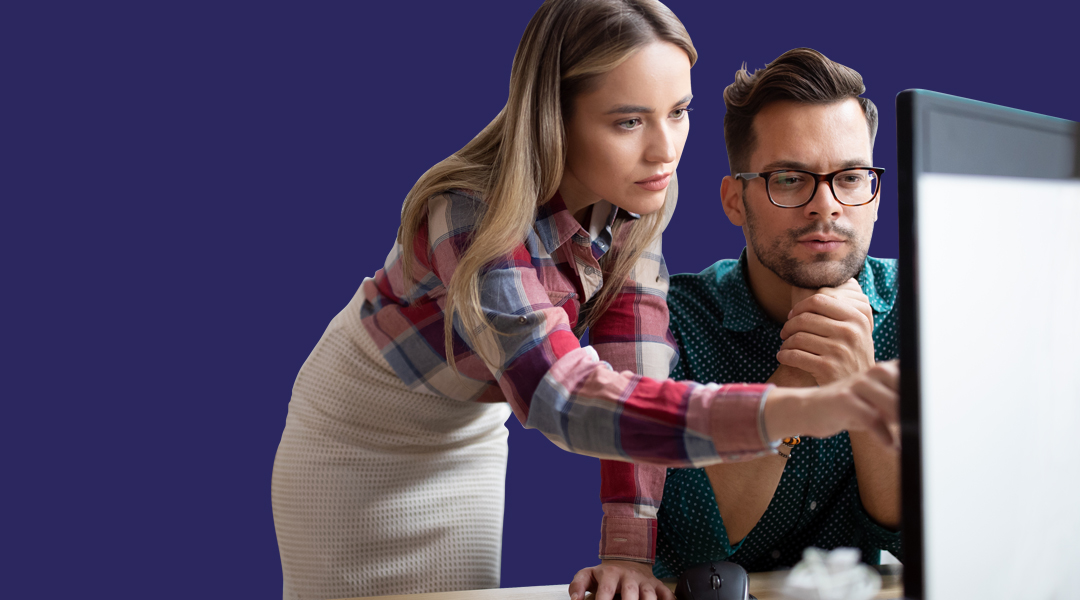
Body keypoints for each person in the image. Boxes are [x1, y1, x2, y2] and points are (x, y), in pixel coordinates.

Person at [270, 1, 900, 596]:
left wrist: (628, 553)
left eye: (678, 112)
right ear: (556, 117)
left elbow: (637, 371)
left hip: (470, 428)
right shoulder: (469, 212)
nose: (665, 150)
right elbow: (563, 398)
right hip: (362, 436)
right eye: (629, 120)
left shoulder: (638, 192)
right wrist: (792, 408)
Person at [569, 48, 900, 600]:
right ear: (734, 201)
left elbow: (935, 540)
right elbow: (689, 549)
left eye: (850, 177)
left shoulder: (925, 310)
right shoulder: (666, 322)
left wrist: (857, 389)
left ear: (875, 195)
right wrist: (794, 384)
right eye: (790, 179)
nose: (826, 207)